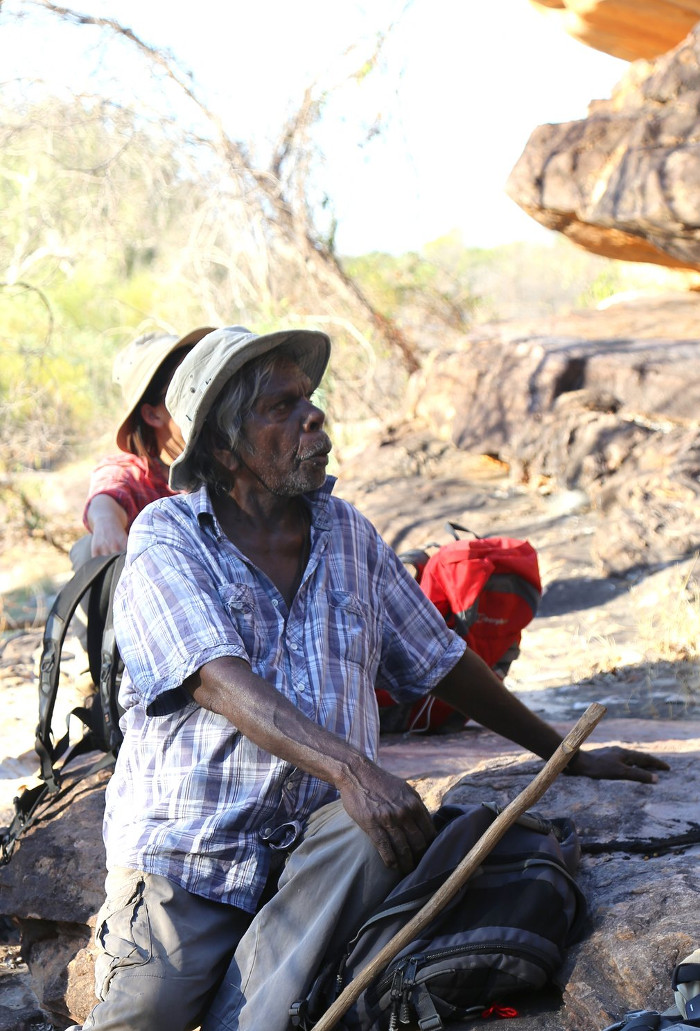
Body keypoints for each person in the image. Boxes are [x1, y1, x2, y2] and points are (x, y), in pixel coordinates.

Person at [73, 325, 669, 1031]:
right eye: (281, 406)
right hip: (191, 854)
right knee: (143, 1016)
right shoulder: (169, 534)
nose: (313, 416)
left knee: (368, 838)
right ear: (224, 446)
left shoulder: (347, 532)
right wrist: (353, 768)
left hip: (315, 853)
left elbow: (440, 659)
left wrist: (565, 749)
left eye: (309, 398)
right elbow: (213, 677)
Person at [72, 325, 215, 564]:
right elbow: (109, 487)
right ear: (153, 415)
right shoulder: (141, 477)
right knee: (86, 551)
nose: (203, 395)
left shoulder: (231, 453)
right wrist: (107, 522)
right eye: (187, 389)